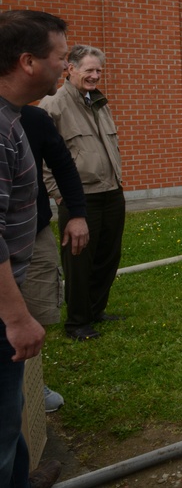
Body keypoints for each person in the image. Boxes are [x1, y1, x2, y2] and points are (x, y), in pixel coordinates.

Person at [0, 9, 70, 488]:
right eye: (61, 58)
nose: (65, 67)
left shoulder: (15, 119)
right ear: (28, 61)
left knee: (10, 419)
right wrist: (15, 316)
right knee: (1, 428)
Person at [39, 45, 126, 341]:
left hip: (112, 191)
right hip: (80, 198)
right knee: (79, 261)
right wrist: (60, 196)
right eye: (89, 69)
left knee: (107, 257)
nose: (95, 75)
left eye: (99, 70)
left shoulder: (99, 102)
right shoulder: (53, 104)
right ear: (70, 68)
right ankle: (77, 323)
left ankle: (95, 309)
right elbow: (42, 159)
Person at [20, 104, 89, 411]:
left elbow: (63, 165)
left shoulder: (35, 118)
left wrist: (76, 213)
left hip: (34, 234)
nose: (62, 65)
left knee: (38, 310)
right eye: (59, 57)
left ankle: (32, 382)